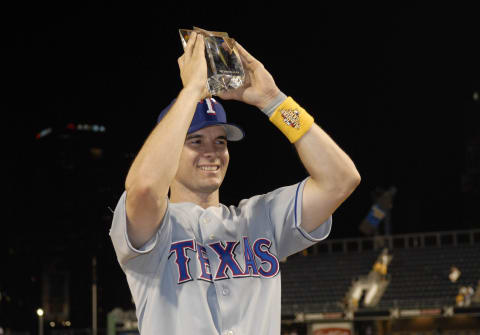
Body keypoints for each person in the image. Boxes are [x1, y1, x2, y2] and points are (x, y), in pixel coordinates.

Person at [110, 31, 361, 335]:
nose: (212, 151)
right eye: (196, 140)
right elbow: (146, 187)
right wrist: (192, 91)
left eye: (220, 141)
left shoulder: (259, 218)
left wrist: (274, 102)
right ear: (172, 147)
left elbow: (341, 179)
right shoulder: (153, 227)